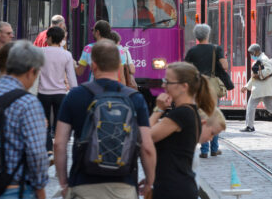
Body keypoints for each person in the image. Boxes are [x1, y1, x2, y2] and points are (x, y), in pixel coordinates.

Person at [55, 39, 155, 199]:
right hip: (124, 187)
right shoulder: (135, 99)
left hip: (83, 186)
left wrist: (64, 183)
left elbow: (59, 144)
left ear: (93, 65)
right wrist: (150, 183)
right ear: (118, 65)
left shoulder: (75, 96)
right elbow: (147, 147)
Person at [0, 41, 49, 198]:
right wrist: (40, 189)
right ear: (30, 71)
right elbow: (36, 154)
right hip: (13, 189)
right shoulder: (28, 102)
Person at [150, 62, 214, 199]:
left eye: (167, 82)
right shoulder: (189, 112)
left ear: (184, 86)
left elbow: (145, 137)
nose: (163, 86)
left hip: (174, 189)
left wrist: (158, 110)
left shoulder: (181, 114)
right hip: (176, 186)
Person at [184, 23, 228, 158]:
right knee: (213, 114)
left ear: (196, 37)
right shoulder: (216, 49)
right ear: (208, 35)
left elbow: (186, 68)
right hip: (213, 86)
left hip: (198, 86)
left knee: (202, 116)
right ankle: (214, 149)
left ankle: (204, 150)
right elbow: (224, 66)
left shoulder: (192, 51)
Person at [37, 26, 77, 155]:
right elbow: (71, 76)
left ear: (49, 38)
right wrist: (75, 92)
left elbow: (35, 73)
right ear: (61, 39)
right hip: (60, 93)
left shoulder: (40, 52)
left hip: (43, 93)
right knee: (60, 123)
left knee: (44, 122)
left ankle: (48, 147)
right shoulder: (66, 54)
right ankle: (60, 146)